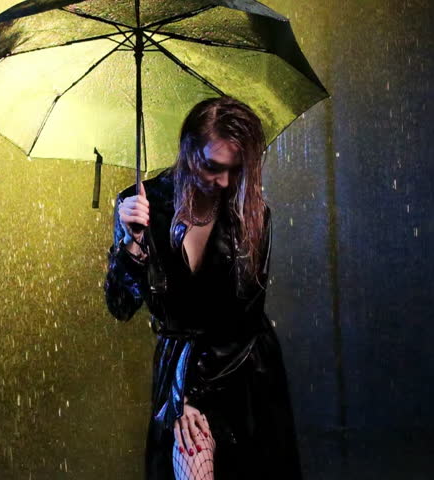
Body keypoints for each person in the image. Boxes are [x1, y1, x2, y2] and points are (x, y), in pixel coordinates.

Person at [104, 97, 303, 479]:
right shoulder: (142, 204)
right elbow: (119, 305)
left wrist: (188, 396)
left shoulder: (251, 212)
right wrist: (130, 243)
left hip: (241, 371)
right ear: (188, 149)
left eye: (234, 169)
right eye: (213, 167)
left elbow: (241, 319)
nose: (225, 182)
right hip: (178, 373)